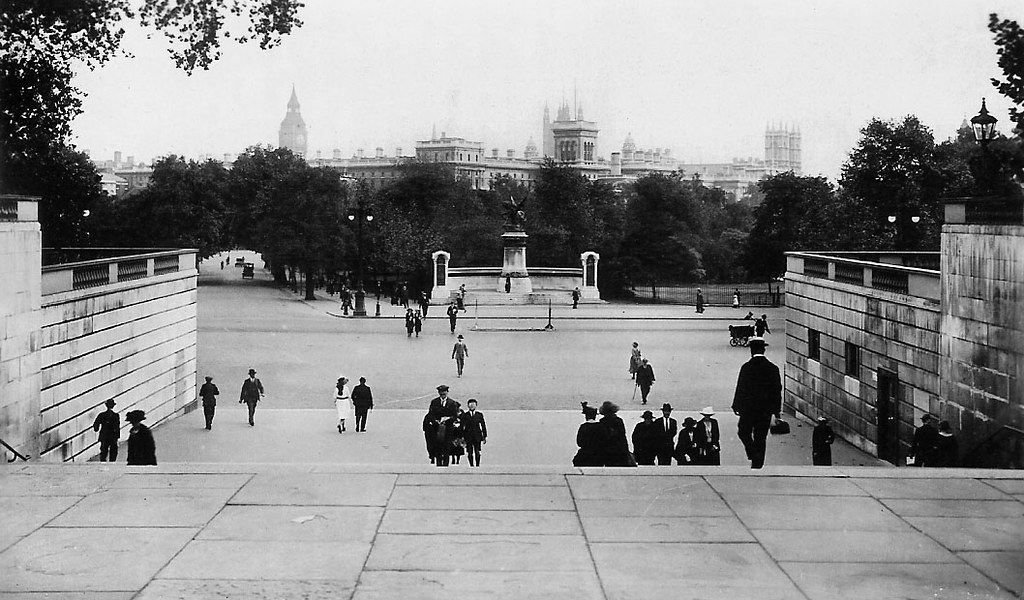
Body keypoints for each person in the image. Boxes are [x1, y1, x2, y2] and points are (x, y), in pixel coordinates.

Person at [731, 337, 782, 469]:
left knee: (743, 432)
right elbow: (777, 391)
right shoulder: (773, 368)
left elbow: (740, 387)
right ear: (764, 350)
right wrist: (776, 413)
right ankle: (758, 464)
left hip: (748, 409)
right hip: (765, 410)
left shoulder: (746, 367)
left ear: (751, 350)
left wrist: (736, 405)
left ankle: (753, 453)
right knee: (761, 437)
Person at [427, 385, 459, 467]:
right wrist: (436, 421)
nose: (443, 395)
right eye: (441, 393)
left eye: (444, 393)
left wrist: (447, 419)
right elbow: (431, 414)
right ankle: (438, 463)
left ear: (447, 393)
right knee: (437, 446)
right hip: (437, 428)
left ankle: (445, 464)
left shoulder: (452, 403)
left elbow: (455, 416)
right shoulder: (434, 402)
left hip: (448, 428)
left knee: (447, 446)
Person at [599, 401, 636, 467]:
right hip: (619, 449)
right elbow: (622, 436)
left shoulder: (602, 421)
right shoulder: (618, 420)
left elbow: (602, 438)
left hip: (608, 450)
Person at [573, 403, 606, 467]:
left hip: (585, 455)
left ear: (586, 416)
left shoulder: (583, 427)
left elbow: (579, 442)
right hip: (598, 455)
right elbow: (604, 441)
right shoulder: (601, 426)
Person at [462, 398, 487, 467]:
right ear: (468, 406)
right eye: (470, 404)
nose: (472, 406)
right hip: (468, 436)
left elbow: (483, 425)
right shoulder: (465, 415)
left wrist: (484, 436)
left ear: (476, 405)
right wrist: (462, 437)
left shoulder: (479, 415)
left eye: (473, 404)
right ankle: (471, 465)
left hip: (477, 436)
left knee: (477, 451)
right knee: (469, 452)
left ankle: (477, 465)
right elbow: (462, 427)